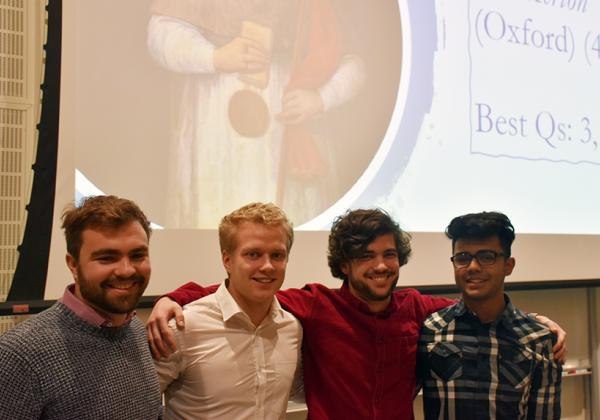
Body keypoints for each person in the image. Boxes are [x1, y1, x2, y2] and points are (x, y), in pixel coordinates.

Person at [147, 208, 566, 420]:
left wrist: (537, 321)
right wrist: (173, 297)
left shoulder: (417, 308)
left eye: (388, 254)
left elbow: (475, 305)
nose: (380, 265)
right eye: (364, 256)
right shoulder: (315, 305)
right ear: (343, 264)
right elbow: (249, 287)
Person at [147, 0, 366, 227]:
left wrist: (321, 98)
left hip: (287, 123)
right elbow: (162, 32)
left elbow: (352, 61)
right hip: (215, 126)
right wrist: (215, 57)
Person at [0, 196, 162, 419]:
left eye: (137, 255)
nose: (126, 270)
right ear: (73, 264)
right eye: (107, 258)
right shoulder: (19, 355)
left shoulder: (133, 328)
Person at [154, 203, 302, 419]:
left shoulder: (292, 329)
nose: (268, 266)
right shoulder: (183, 328)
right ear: (227, 260)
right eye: (253, 254)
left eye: (277, 255)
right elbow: (138, 406)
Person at [418, 212, 562, 419]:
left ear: (509, 265)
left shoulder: (539, 340)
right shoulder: (430, 331)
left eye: (487, 257)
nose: (473, 267)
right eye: (463, 257)